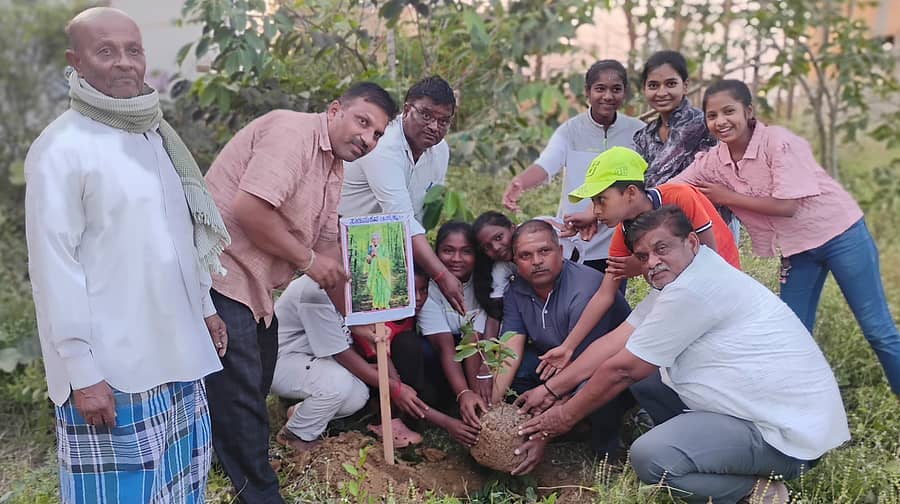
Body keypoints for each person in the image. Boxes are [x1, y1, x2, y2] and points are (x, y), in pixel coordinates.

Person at [24, 7, 228, 502]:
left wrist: (205, 306)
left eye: (132, 50)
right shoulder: (60, 149)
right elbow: (55, 269)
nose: (123, 63)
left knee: (181, 489)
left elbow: (179, 236)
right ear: (76, 61)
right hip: (114, 370)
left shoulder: (153, 134)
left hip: (177, 356)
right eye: (105, 51)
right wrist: (83, 374)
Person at [517, 206, 850, 503]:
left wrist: (558, 420)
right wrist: (551, 389)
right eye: (643, 256)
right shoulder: (685, 277)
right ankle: (701, 450)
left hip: (787, 438)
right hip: (765, 411)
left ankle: (753, 490)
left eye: (661, 249)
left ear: (692, 242)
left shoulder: (694, 289)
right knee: (649, 381)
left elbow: (621, 369)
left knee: (650, 456)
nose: (652, 263)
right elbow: (614, 342)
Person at [203, 83, 398, 502]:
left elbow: (330, 255)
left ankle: (230, 460)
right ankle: (259, 492)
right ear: (334, 110)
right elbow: (249, 209)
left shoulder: (334, 168)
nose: (368, 138)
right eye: (363, 122)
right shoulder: (292, 134)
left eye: (378, 134)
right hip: (220, 277)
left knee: (254, 382)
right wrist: (307, 261)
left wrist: (359, 322)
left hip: (258, 290)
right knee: (241, 396)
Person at [673, 79, 900, 396]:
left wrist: (726, 196)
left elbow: (789, 206)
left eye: (729, 111)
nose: (721, 121)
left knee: (878, 330)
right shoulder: (714, 159)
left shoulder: (779, 142)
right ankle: (801, 408)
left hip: (840, 234)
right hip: (798, 250)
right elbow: (673, 189)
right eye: (712, 115)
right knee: (793, 332)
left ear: (748, 111)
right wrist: (628, 203)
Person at [539, 146, 740, 375]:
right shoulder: (623, 233)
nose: (595, 211)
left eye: (601, 200)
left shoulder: (678, 197)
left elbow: (709, 259)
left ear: (631, 193)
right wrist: (567, 347)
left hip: (722, 281)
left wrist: (637, 264)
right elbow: (605, 295)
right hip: (679, 290)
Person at [492, 220, 631, 476]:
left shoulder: (586, 288)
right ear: (515, 260)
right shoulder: (516, 290)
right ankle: (555, 424)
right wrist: (493, 403)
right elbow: (511, 343)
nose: (536, 261)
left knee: (596, 383)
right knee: (520, 370)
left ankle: (607, 453)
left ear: (561, 251)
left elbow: (586, 367)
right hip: (557, 363)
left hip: (605, 368)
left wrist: (545, 433)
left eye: (544, 251)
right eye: (525, 255)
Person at [502, 60, 644, 273]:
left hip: (617, 241)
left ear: (625, 93)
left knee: (610, 301)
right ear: (587, 93)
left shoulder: (638, 132)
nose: (608, 96)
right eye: (600, 89)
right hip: (574, 238)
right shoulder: (570, 130)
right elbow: (546, 165)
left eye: (616, 89)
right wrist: (520, 182)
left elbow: (646, 179)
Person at [340, 76, 467, 315]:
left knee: (394, 335)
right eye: (427, 115)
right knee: (359, 329)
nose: (434, 127)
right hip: (348, 245)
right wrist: (441, 275)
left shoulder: (440, 151)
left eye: (444, 121)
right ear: (407, 109)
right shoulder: (383, 146)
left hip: (395, 249)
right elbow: (403, 221)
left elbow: (421, 214)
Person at [350, 266, 482, 448]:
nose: (419, 298)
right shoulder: (375, 322)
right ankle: (385, 419)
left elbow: (445, 347)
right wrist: (447, 424)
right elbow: (394, 383)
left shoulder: (411, 314)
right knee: (408, 343)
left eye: (424, 290)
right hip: (376, 378)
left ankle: (411, 415)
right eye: (412, 291)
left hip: (399, 376)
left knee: (434, 390)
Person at [417, 222, 490, 428]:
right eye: (448, 251)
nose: (457, 259)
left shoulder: (483, 283)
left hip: (476, 352)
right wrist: (464, 393)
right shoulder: (428, 287)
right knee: (422, 351)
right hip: (441, 355)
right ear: (436, 253)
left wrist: (476, 395)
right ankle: (445, 399)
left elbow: (472, 341)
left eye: (466, 251)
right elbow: (444, 345)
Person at [633, 50, 716, 187]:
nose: (661, 93)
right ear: (644, 89)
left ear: (685, 86)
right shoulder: (644, 135)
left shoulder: (703, 125)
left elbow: (652, 182)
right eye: (653, 85)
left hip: (698, 206)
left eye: (670, 84)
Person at [366, 232, 393, 310]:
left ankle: (384, 304)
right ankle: (376, 305)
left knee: (384, 287)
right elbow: (368, 261)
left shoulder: (384, 248)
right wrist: (371, 255)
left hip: (383, 272)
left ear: (379, 240)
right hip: (374, 272)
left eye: (376, 239)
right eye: (373, 239)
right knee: (375, 288)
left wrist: (378, 255)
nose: (375, 240)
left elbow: (387, 260)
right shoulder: (370, 248)